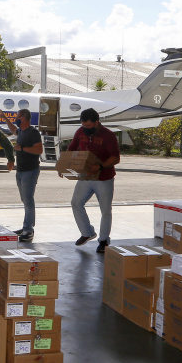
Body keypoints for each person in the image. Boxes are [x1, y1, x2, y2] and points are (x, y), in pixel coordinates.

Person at [65, 108, 121, 254]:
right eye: (84, 125)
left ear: (97, 122)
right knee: (76, 203)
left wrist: (101, 166)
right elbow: (71, 149)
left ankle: (103, 240)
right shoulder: (80, 132)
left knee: (105, 210)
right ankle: (87, 232)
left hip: (104, 178)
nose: (86, 128)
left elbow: (116, 158)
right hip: (86, 176)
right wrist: (63, 165)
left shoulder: (108, 135)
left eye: (89, 126)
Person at [1, 108, 44, 242]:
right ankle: (26, 226)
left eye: (18, 117)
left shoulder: (33, 132)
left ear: (24, 118)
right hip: (21, 170)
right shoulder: (21, 131)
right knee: (25, 199)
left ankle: (28, 229)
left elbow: (39, 149)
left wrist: (22, 148)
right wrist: (5, 118)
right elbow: (14, 129)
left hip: (30, 170)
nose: (16, 118)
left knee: (28, 199)